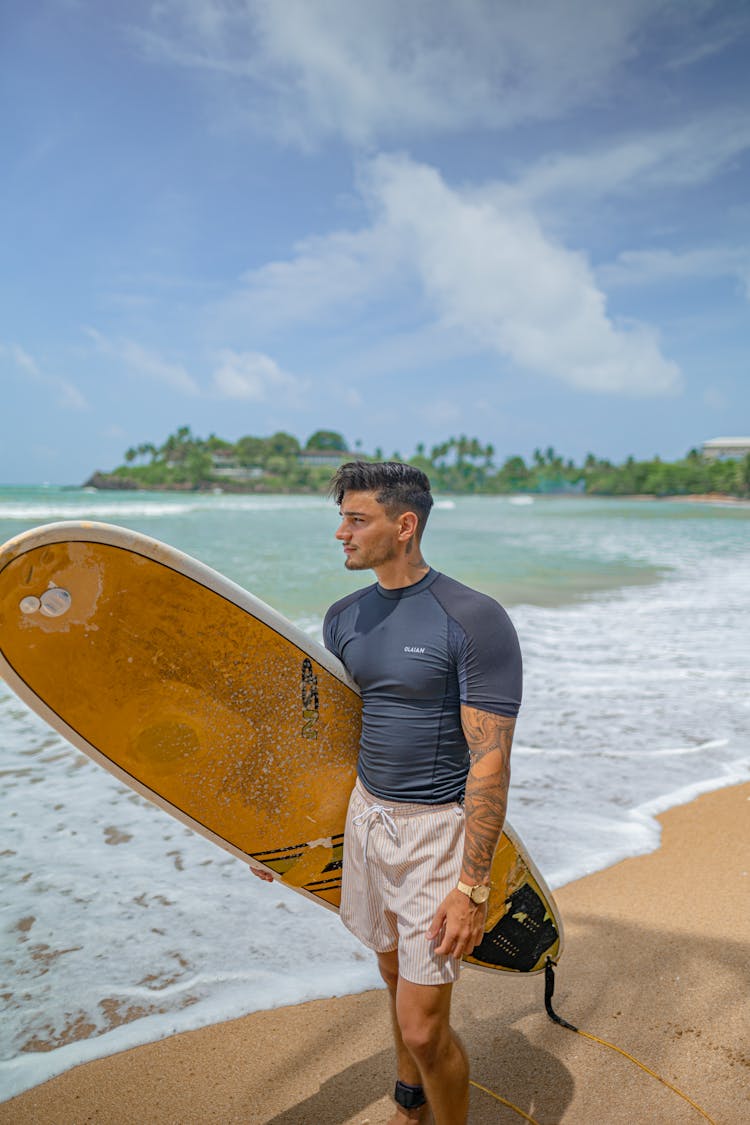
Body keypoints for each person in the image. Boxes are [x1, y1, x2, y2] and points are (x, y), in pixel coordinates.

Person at [255, 461, 522, 1125]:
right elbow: (334, 736)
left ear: (404, 525)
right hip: (366, 817)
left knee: (428, 1028)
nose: (340, 533)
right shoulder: (345, 617)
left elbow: (490, 761)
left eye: (357, 519)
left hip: (435, 831)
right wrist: (274, 831)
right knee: (392, 972)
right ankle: (410, 1101)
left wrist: (471, 887)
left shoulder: (472, 618)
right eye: (341, 517)